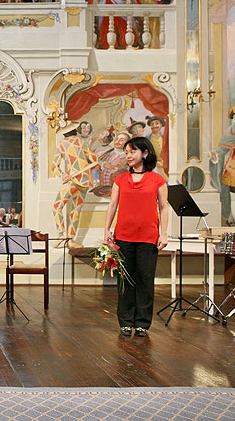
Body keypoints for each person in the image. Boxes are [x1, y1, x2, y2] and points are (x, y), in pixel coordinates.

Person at [104, 137, 168, 338]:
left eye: (132, 151)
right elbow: (113, 205)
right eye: (126, 152)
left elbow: (164, 208)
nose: (128, 156)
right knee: (126, 280)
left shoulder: (158, 180)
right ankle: (125, 321)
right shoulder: (120, 180)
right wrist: (107, 229)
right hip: (124, 236)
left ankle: (142, 323)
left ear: (145, 153)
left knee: (145, 280)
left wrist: (163, 233)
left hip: (148, 237)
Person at [51, 121, 98, 249]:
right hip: (85, 181)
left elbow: (54, 166)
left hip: (73, 180)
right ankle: (71, 240)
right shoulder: (83, 143)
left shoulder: (62, 144)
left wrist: (63, 174)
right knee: (75, 210)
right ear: (76, 131)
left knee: (57, 206)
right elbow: (94, 161)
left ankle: (61, 234)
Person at [94, 131, 129, 197]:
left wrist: (116, 169)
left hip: (118, 188)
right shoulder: (109, 152)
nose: (118, 141)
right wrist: (103, 165)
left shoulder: (128, 156)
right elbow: (98, 163)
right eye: (117, 139)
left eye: (121, 140)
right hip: (103, 187)